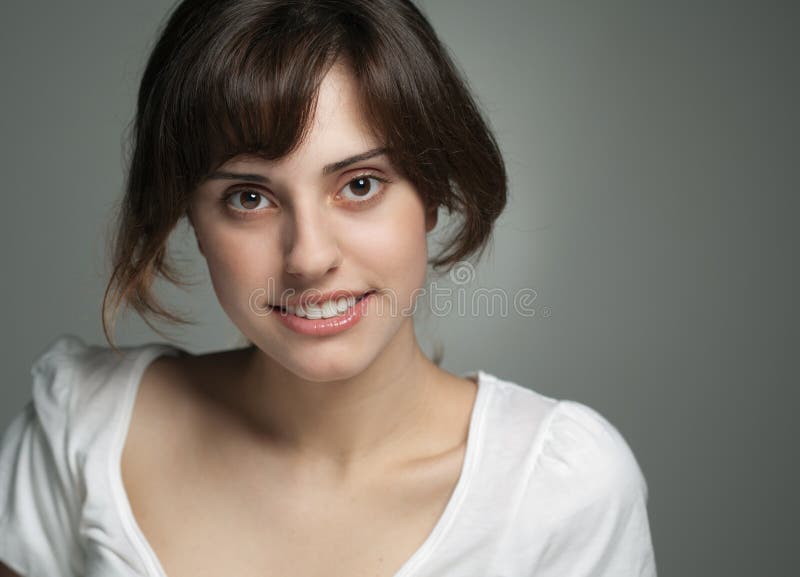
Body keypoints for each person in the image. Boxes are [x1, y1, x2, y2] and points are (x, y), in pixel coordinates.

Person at [0, 1, 657, 575]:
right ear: (191, 219)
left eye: (360, 184)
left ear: (429, 196)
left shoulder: (557, 490)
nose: (309, 256)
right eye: (249, 196)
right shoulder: (83, 430)